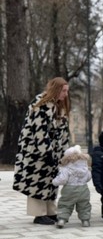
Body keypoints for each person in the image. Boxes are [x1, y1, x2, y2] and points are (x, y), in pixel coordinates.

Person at [13, 77, 71, 225]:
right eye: (64, 90)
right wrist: (46, 152)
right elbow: (39, 131)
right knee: (38, 180)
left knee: (51, 179)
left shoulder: (60, 107)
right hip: (36, 151)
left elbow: (64, 132)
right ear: (56, 89)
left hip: (53, 149)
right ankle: (39, 214)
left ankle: (51, 211)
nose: (66, 94)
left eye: (67, 91)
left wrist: (65, 153)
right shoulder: (41, 104)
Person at [51, 145, 92, 228]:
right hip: (83, 189)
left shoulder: (67, 168)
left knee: (65, 204)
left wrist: (54, 182)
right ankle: (85, 220)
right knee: (84, 205)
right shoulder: (85, 168)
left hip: (69, 189)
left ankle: (62, 220)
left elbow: (62, 179)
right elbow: (88, 177)